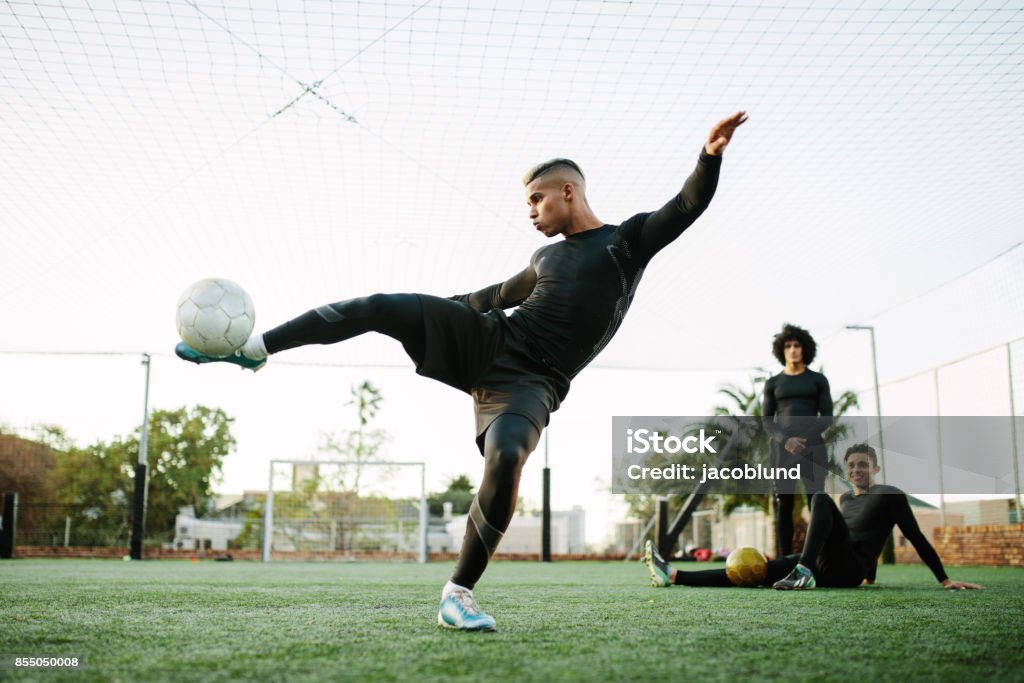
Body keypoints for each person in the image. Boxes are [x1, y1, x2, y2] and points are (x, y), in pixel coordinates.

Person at [175, 111, 749, 631]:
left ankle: (458, 593)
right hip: (492, 339)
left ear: (568, 191)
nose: (530, 211)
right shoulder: (545, 258)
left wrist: (709, 156)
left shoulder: (624, 242)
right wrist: (436, 312)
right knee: (382, 304)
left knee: (506, 457)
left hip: (532, 382)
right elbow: (493, 296)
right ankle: (257, 347)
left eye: (537, 199)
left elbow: (686, 206)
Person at [644, 443, 983, 591]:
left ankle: (801, 572)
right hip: (826, 561)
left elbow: (914, 536)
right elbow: (860, 531)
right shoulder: (848, 497)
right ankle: (673, 574)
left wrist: (943, 578)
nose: (856, 470)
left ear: (875, 468)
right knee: (755, 570)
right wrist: (873, 575)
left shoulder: (890, 494)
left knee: (819, 496)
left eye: (863, 465)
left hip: (843, 568)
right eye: (851, 466)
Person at [763, 323, 833, 557]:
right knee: (784, 505)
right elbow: (766, 421)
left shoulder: (818, 380)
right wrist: (786, 440)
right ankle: (783, 561)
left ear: (805, 350)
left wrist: (803, 439)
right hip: (782, 452)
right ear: (781, 351)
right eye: (788, 346)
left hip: (813, 448)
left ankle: (820, 558)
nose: (793, 350)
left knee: (817, 502)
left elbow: (827, 417)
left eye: (797, 346)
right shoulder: (773, 383)